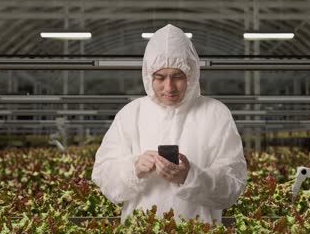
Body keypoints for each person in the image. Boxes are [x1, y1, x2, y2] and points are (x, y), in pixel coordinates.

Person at [91, 24, 247, 224]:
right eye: (160, 77)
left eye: (177, 76)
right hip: (141, 228)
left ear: (191, 74)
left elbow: (232, 185)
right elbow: (104, 175)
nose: (169, 87)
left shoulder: (215, 114)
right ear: (148, 76)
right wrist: (135, 169)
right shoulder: (131, 114)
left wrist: (190, 177)